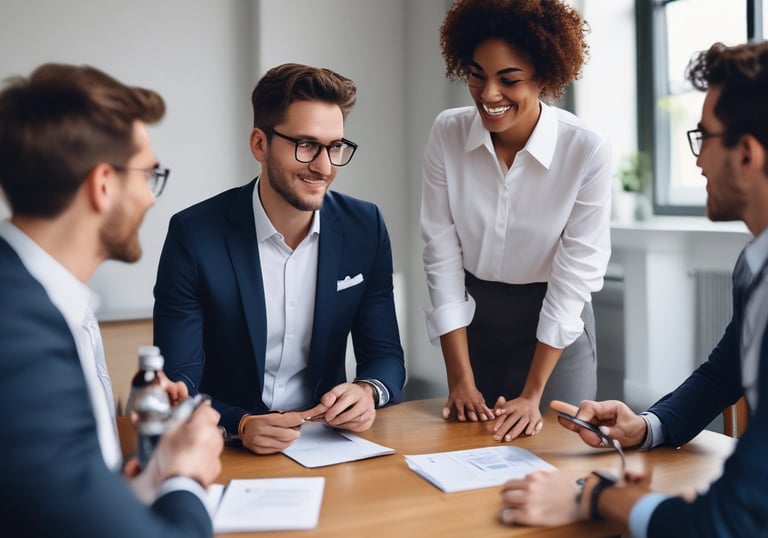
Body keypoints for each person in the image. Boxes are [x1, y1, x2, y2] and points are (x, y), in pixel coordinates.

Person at [499, 40, 768, 536]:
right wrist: (646, 427)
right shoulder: (756, 266)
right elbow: (722, 375)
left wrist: (597, 496)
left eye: (703, 137)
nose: (697, 160)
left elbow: (731, 522)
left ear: (747, 154)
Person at [0, 64, 224, 537]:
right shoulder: (19, 336)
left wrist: (143, 476)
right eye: (148, 175)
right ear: (103, 184)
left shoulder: (48, 302)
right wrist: (185, 476)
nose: (150, 197)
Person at [153, 63, 406, 455]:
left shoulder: (365, 226)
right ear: (259, 144)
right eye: (306, 145)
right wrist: (238, 424)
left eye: (335, 147)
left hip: (328, 444)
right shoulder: (194, 235)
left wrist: (367, 391)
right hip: (225, 448)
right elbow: (175, 382)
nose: (324, 167)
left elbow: (386, 355)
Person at [421, 0, 612, 441]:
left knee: (559, 453)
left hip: (555, 325)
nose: (489, 94)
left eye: (509, 80)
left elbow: (573, 276)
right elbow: (441, 254)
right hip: (476, 319)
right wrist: (459, 378)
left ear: (545, 76)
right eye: (476, 75)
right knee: (469, 452)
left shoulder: (585, 149)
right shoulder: (447, 133)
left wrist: (533, 393)